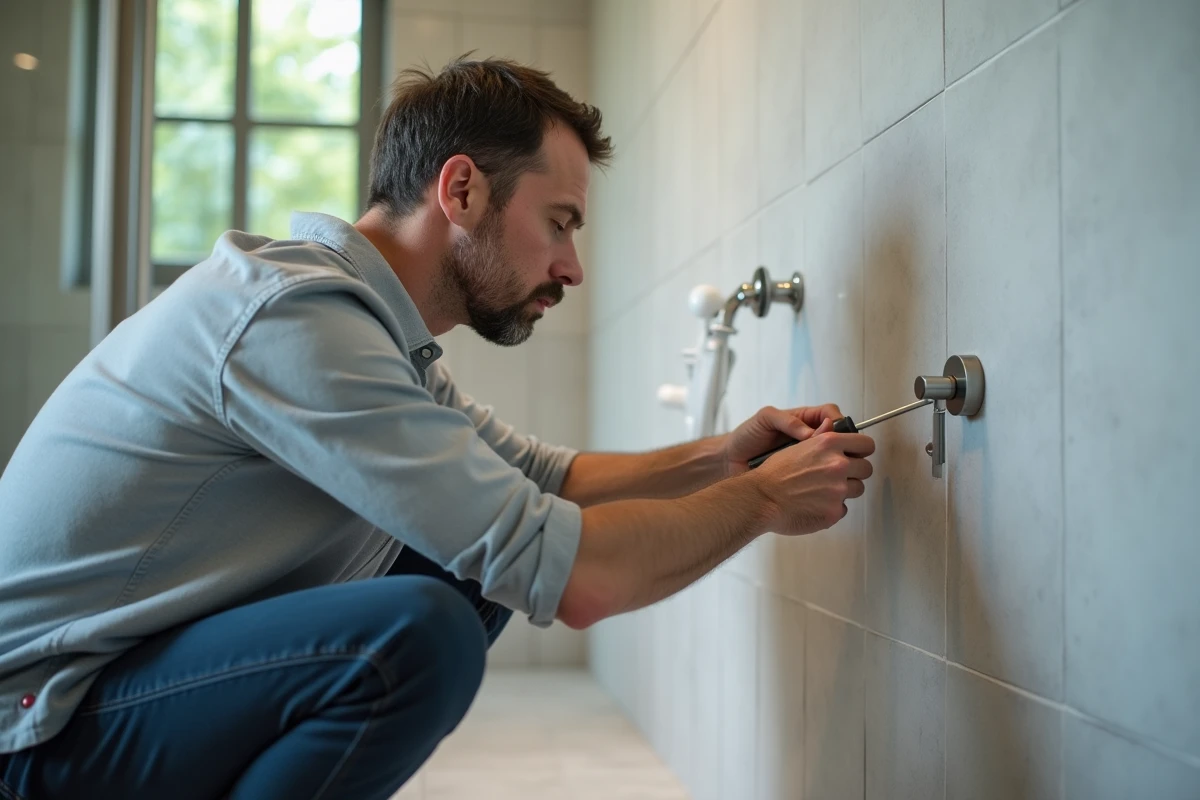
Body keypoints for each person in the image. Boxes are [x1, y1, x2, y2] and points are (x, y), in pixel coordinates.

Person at [0, 57, 874, 799]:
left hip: (102, 691)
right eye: (560, 222)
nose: (572, 265)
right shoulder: (295, 323)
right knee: (415, 634)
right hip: (39, 727)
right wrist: (761, 503)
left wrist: (726, 458)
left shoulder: (366, 333)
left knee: (455, 572)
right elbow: (568, 577)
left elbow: (542, 478)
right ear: (460, 189)